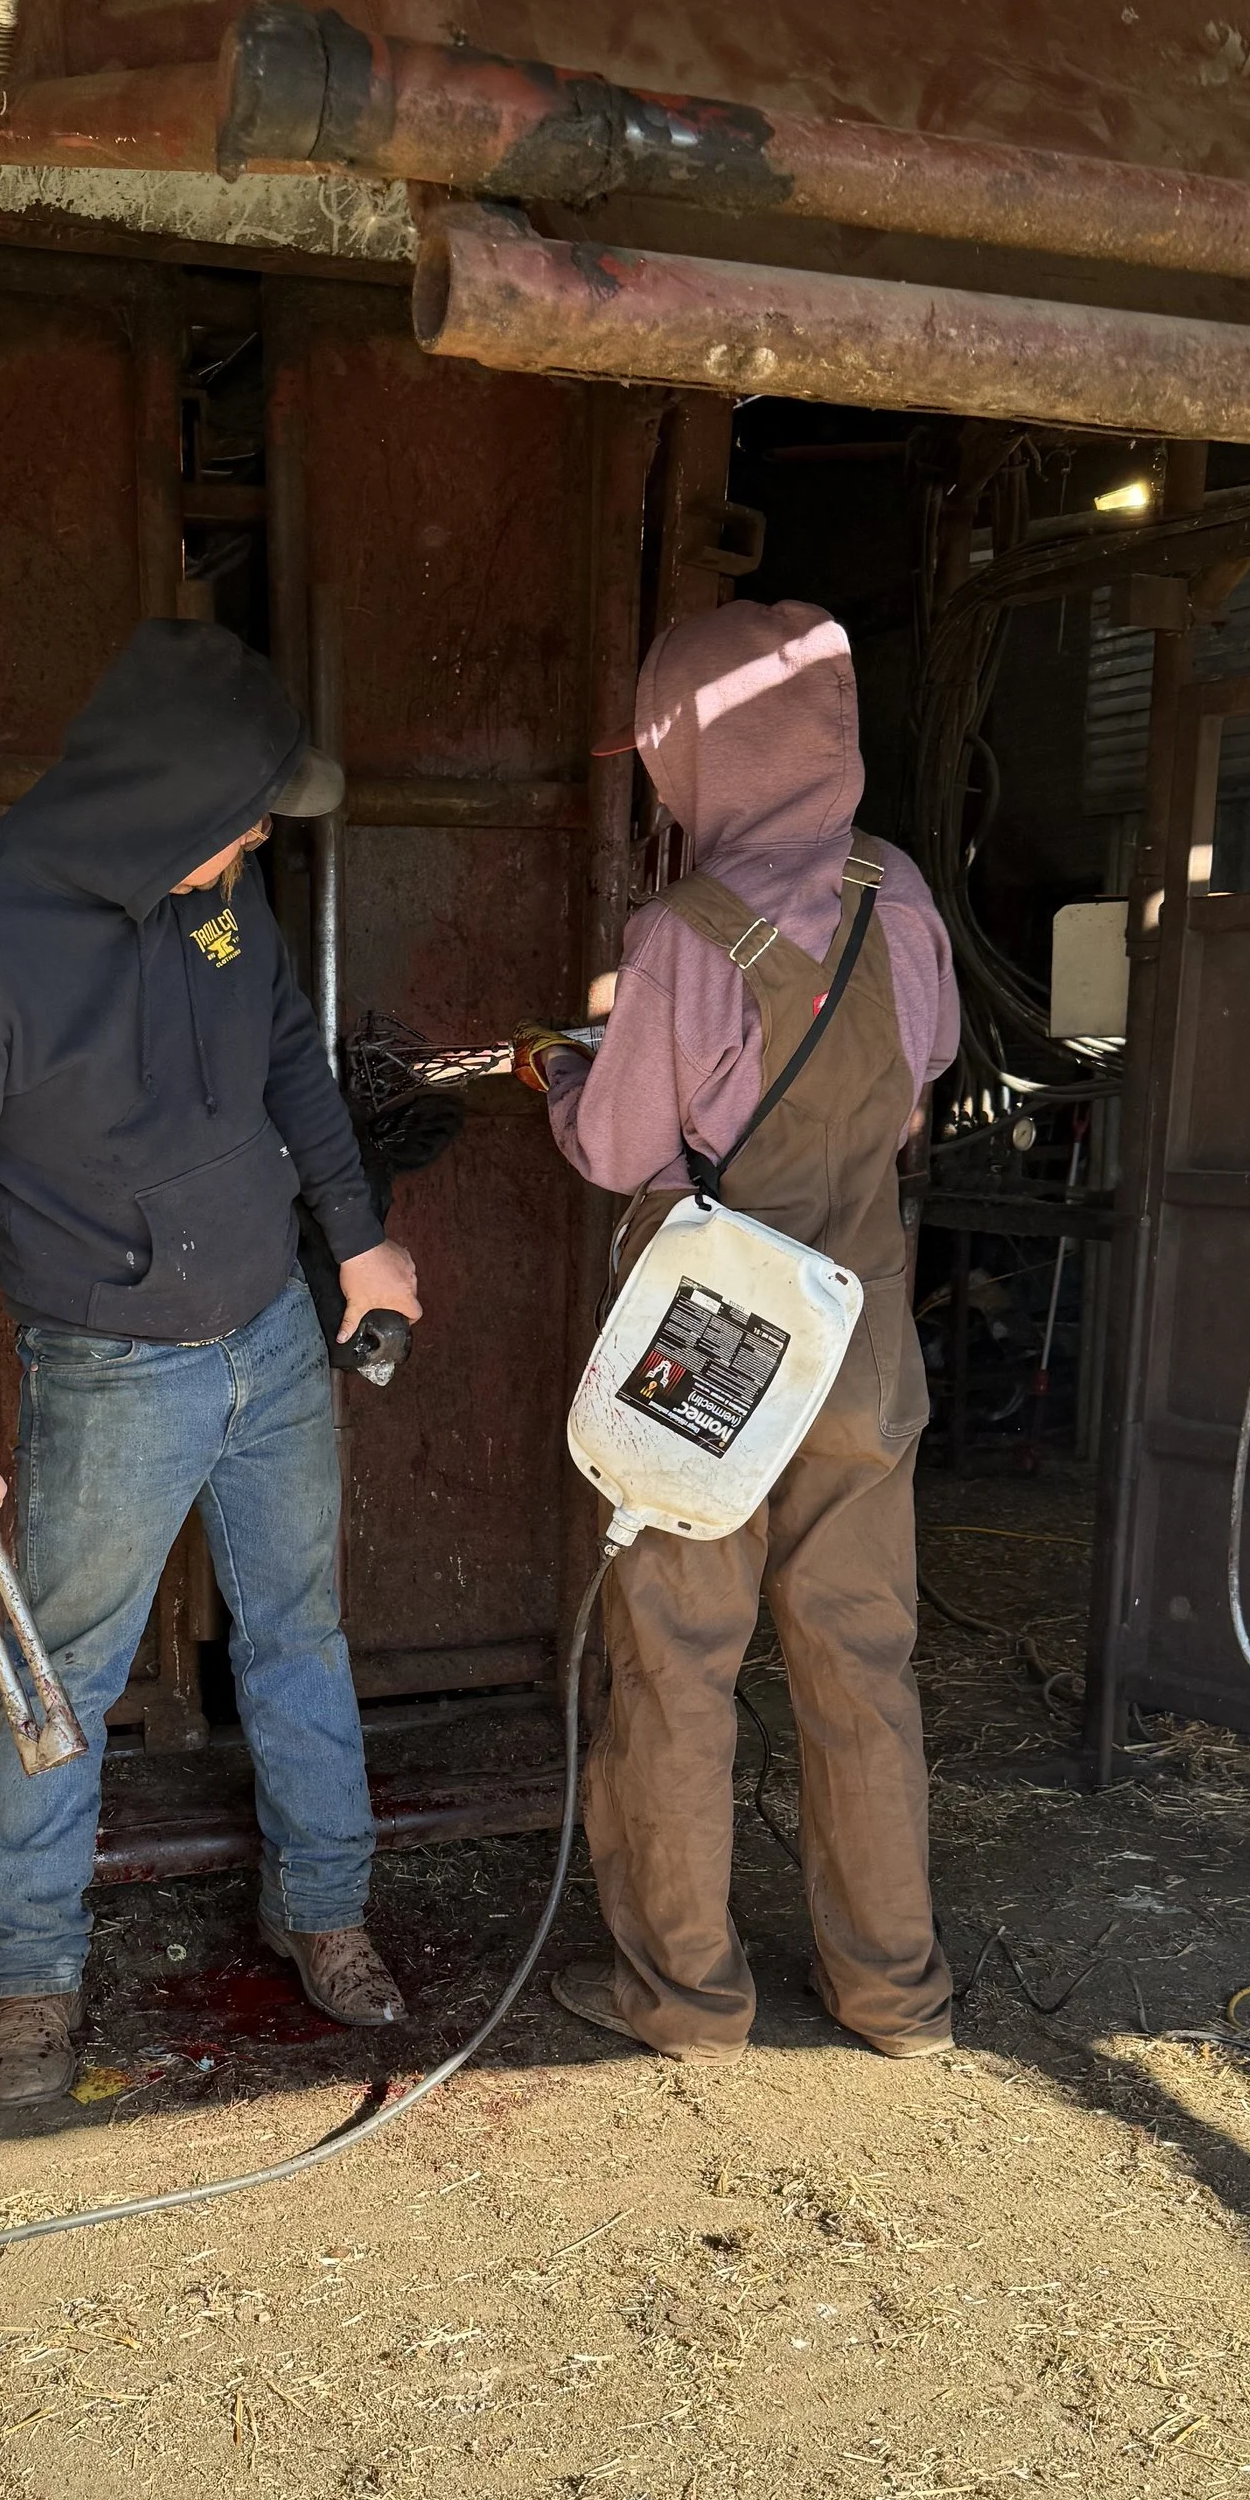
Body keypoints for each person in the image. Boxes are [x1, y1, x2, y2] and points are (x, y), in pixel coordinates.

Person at [0, 620, 422, 2108]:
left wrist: (359, 1241)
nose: (260, 838)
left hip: (274, 1333)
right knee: (60, 1682)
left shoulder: (219, 895)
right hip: (112, 1368)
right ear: (167, 806)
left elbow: (290, 1056)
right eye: (246, 815)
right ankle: (31, 1971)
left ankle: (323, 1907)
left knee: (299, 1633)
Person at [518, 599, 958, 2062]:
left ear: (690, 751)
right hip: (862, 1330)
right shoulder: (901, 896)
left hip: (715, 1339)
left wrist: (562, 1069)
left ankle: (686, 1998)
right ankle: (896, 1994)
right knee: (863, 1663)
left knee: (676, 1663)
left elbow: (618, 1147)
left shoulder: (681, 934)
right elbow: (911, 1093)